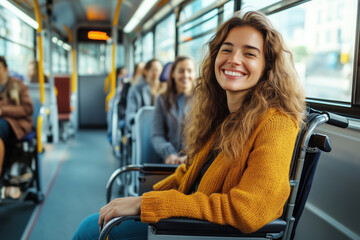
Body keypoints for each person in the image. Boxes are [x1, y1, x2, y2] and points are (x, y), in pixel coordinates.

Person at [73, 10, 305, 239]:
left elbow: (250, 210)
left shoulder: (276, 123)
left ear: (268, 66)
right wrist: (142, 200)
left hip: (206, 232)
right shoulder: (225, 115)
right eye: (226, 49)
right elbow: (188, 175)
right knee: (97, 223)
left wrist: (147, 203)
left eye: (250, 54)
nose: (233, 59)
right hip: (187, 223)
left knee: (90, 231)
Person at [0, 56, 34, 200]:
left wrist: (2, 111)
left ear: (6, 69)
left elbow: (28, 108)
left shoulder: (17, 84)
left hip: (15, 123)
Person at [152, 56, 195, 164]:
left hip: (195, 161)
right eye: (181, 71)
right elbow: (157, 135)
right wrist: (169, 154)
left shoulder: (204, 99)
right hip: (170, 160)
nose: (186, 75)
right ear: (173, 74)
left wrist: (192, 157)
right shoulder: (162, 99)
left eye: (189, 71)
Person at [125, 59, 163, 129]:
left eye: (159, 70)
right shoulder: (136, 89)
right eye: (154, 70)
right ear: (145, 71)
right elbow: (131, 112)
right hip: (142, 126)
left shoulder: (164, 88)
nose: (156, 73)